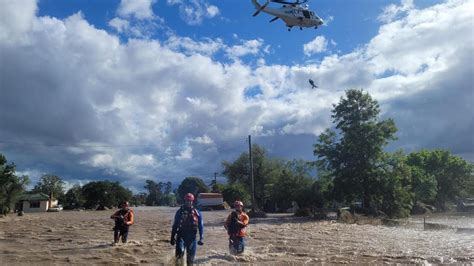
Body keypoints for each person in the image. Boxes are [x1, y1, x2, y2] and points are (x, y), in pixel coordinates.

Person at [170, 193, 204, 265]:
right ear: (184, 201)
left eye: (190, 201)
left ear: (192, 201)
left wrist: (201, 238)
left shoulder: (197, 213)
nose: (188, 202)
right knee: (179, 253)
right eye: (187, 201)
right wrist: (172, 237)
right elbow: (175, 225)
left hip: (192, 238)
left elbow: (201, 226)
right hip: (181, 236)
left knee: (190, 260)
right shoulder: (179, 212)